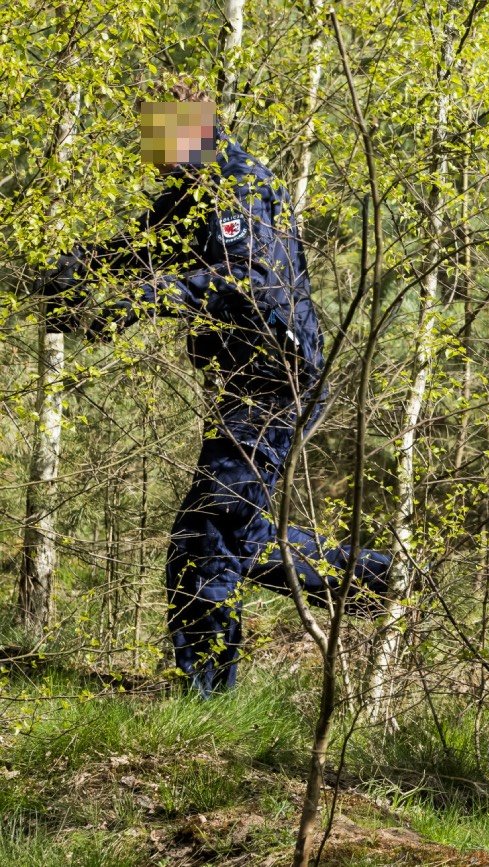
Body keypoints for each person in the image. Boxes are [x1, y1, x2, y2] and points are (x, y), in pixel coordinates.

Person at [40, 87, 393, 697]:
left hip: (275, 385)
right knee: (239, 537)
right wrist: (72, 273)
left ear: (194, 129)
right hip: (240, 385)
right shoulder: (189, 196)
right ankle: (379, 582)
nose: (150, 151)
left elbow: (247, 276)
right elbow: (138, 251)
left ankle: (208, 704)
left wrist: (149, 297)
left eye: (159, 135)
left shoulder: (239, 186)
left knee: (206, 542)